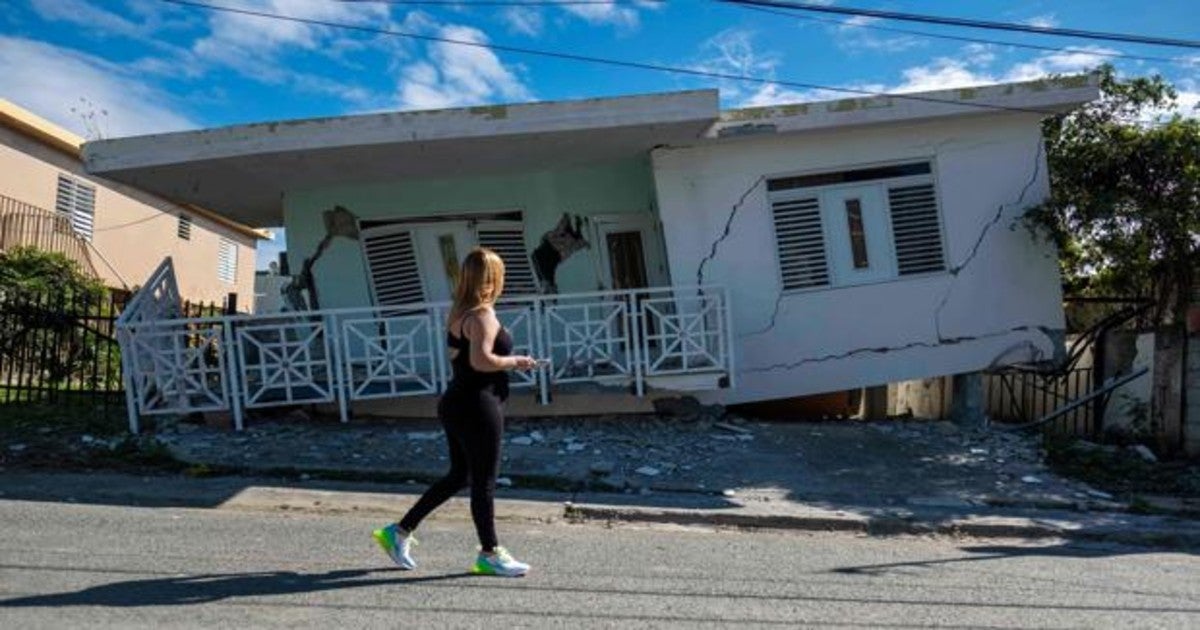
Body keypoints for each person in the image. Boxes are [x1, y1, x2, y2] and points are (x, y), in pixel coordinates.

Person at [373, 247, 538, 577]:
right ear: (493, 278)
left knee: (460, 476)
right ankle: (490, 554)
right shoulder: (481, 315)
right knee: (483, 482)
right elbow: (481, 361)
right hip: (478, 405)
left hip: (458, 402)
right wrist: (516, 361)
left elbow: (467, 360)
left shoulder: (460, 313)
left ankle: (399, 531)